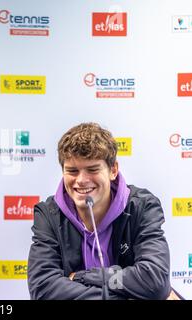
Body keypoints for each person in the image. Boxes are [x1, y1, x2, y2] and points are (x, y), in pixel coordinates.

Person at [27, 122, 175, 300]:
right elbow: (43, 289)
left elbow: (154, 281)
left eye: (92, 169)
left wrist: (84, 277)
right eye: (72, 171)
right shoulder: (48, 213)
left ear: (113, 170)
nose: (81, 180)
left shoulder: (141, 206)